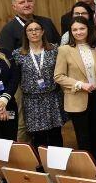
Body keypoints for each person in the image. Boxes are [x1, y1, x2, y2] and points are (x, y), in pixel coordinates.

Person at [55, 16, 96, 157]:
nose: (78, 32)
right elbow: (58, 76)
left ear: (88, 29)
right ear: (70, 32)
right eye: (74, 30)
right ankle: (87, 165)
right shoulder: (64, 50)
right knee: (83, 136)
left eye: (82, 28)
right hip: (77, 97)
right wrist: (80, 84)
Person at [12, 19, 62, 147]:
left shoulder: (54, 49)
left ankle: (58, 159)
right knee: (38, 137)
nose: (34, 32)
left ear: (42, 32)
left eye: (37, 29)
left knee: (55, 134)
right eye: (30, 30)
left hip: (52, 97)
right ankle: (40, 159)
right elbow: (15, 77)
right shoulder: (18, 54)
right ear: (26, 34)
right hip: (32, 100)